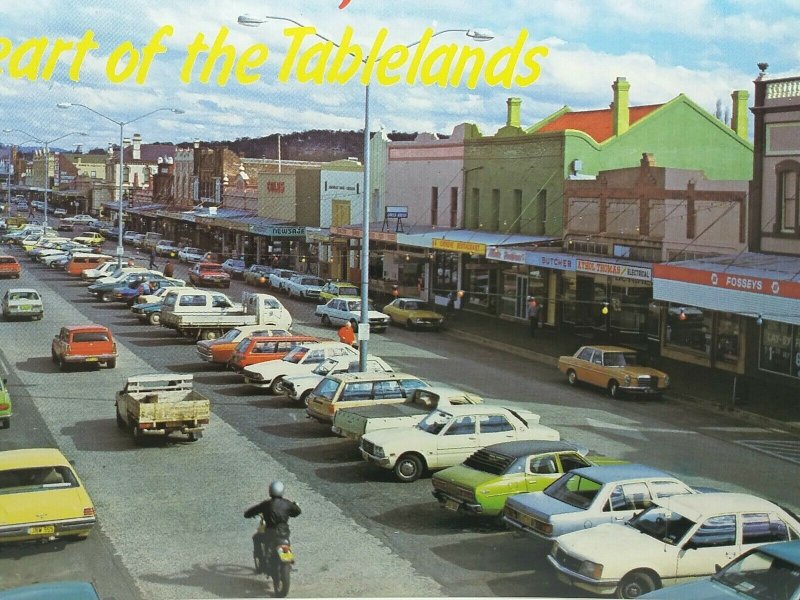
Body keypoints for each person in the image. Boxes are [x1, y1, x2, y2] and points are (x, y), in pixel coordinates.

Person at [244, 481, 301, 570]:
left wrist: (247, 514)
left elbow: (250, 512)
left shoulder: (266, 504)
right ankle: (288, 561)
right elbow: (297, 511)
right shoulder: (287, 503)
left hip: (270, 533)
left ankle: (261, 563)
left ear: (270, 491)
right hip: (284, 533)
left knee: (256, 538)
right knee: (286, 543)